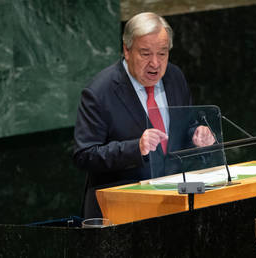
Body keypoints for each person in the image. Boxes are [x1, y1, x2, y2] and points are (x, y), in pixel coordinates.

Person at [73, 12, 215, 218]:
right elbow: (84, 155)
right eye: (146, 54)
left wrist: (198, 135)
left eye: (163, 53)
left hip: (175, 203)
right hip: (122, 210)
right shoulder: (99, 92)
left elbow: (185, 127)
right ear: (127, 50)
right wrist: (136, 148)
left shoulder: (175, 77)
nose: (155, 64)